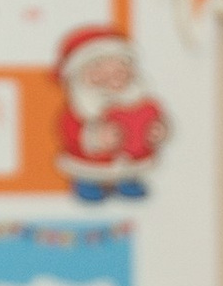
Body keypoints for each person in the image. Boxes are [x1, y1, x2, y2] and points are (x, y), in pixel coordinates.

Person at [53, 27, 169, 201]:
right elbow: (69, 130)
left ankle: (128, 182)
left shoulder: (142, 103)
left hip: (132, 161)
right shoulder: (81, 108)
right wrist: (94, 137)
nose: (112, 78)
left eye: (120, 71)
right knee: (89, 177)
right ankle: (88, 183)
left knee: (131, 175)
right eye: (98, 73)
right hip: (90, 163)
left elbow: (156, 119)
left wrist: (158, 131)